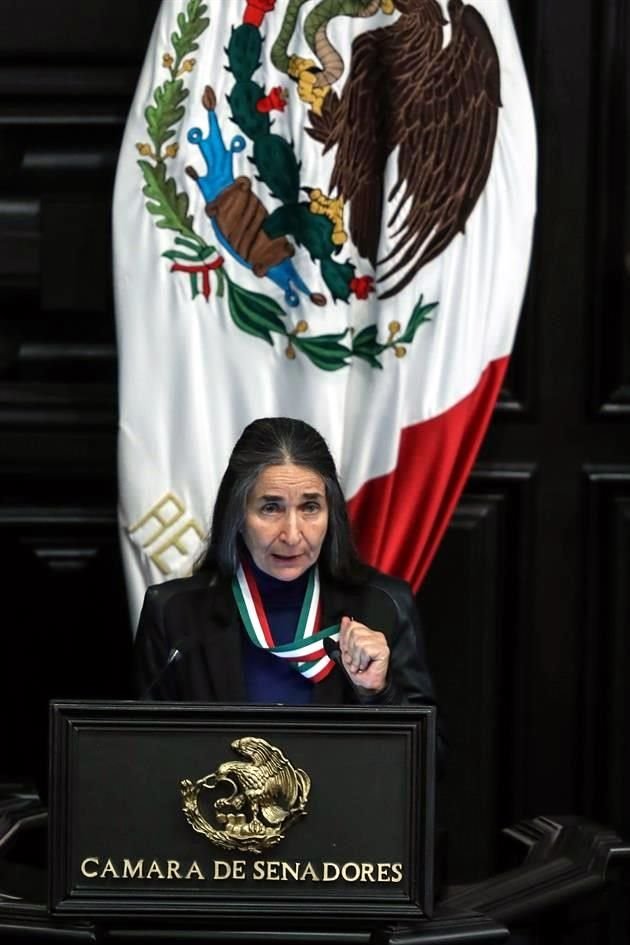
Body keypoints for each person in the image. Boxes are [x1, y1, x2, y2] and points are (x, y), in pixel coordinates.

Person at [134, 418, 442, 734]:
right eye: (271, 508)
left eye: (310, 507)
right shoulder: (174, 614)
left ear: (330, 514)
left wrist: (380, 692)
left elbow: (433, 761)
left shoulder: (383, 606)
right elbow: (141, 754)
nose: (293, 535)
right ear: (237, 515)